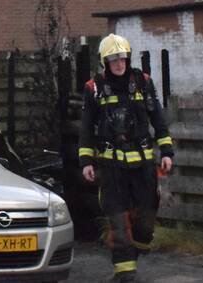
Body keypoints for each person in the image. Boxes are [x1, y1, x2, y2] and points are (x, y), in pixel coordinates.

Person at [78, 34, 175, 283]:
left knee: (145, 223)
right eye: (113, 59)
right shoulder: (94, 88)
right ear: (104, 62)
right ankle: (125, 274)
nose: (119, 63)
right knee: (118, 222)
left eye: (122, 58)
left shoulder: (143, 83)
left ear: (128, 58)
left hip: (143, 164)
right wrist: (86, 161)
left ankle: (134, 252)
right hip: (112, 167)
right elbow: (87, 128)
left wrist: (166, 152)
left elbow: (158, 119)